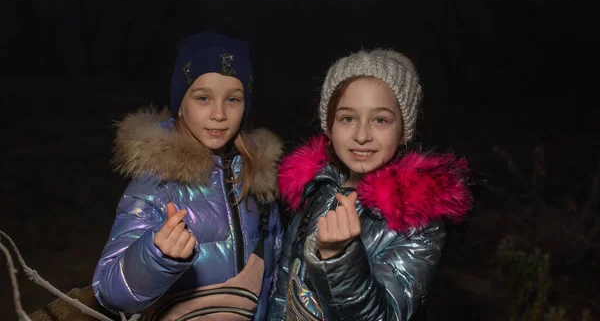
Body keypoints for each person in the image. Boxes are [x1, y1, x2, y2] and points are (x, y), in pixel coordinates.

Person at [92, 30, 284, 320]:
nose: (219, 114)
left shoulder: (259, 181)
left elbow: (275, 278)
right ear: (181, 104)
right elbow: (108, 290)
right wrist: (157, 258)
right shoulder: (156, 183)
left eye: (233, 100)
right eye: (203, 98)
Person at [269, 48, 473, 320]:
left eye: (380, 120)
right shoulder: (313, 191)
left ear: (403, 131)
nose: (362, 135)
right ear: (329, 127)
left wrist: (338, 259)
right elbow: (284, 289)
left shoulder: (416, 223)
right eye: (348, 118)